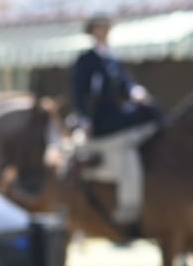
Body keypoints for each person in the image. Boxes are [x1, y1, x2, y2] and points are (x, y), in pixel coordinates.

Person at [69, 13, 161, 232]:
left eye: (107, 27)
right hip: (100, 117)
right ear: (92, 31)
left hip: (116, 111)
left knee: (151, 110)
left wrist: (136, 92)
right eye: (100, 28)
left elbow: (125, 84)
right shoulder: (86, 60)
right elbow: (79, 93)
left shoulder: (111, 59)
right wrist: (83, 118)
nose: (105, 31)